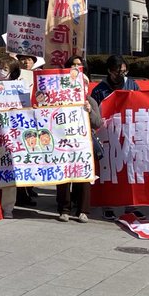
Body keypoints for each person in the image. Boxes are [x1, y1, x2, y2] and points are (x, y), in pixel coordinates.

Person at [92, 55, 143, 220]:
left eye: (123, 71)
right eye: (116, 72)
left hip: (128, 135)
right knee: (108, 171)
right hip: (107, 136)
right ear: (109, 71)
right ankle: (108, 205)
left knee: (129, 171)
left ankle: (131, 205)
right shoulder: (100, 90)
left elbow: (140, 106)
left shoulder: (132, 85)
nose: (120, 75)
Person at [56, 55, 102, 223]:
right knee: (63, 177)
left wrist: (89, 110)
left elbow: (98, 123)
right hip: (63, 143)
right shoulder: (60, 99)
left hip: (83, 145)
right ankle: (64, 209)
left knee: (83, 177)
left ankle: (83, 210)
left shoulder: (90, 101)